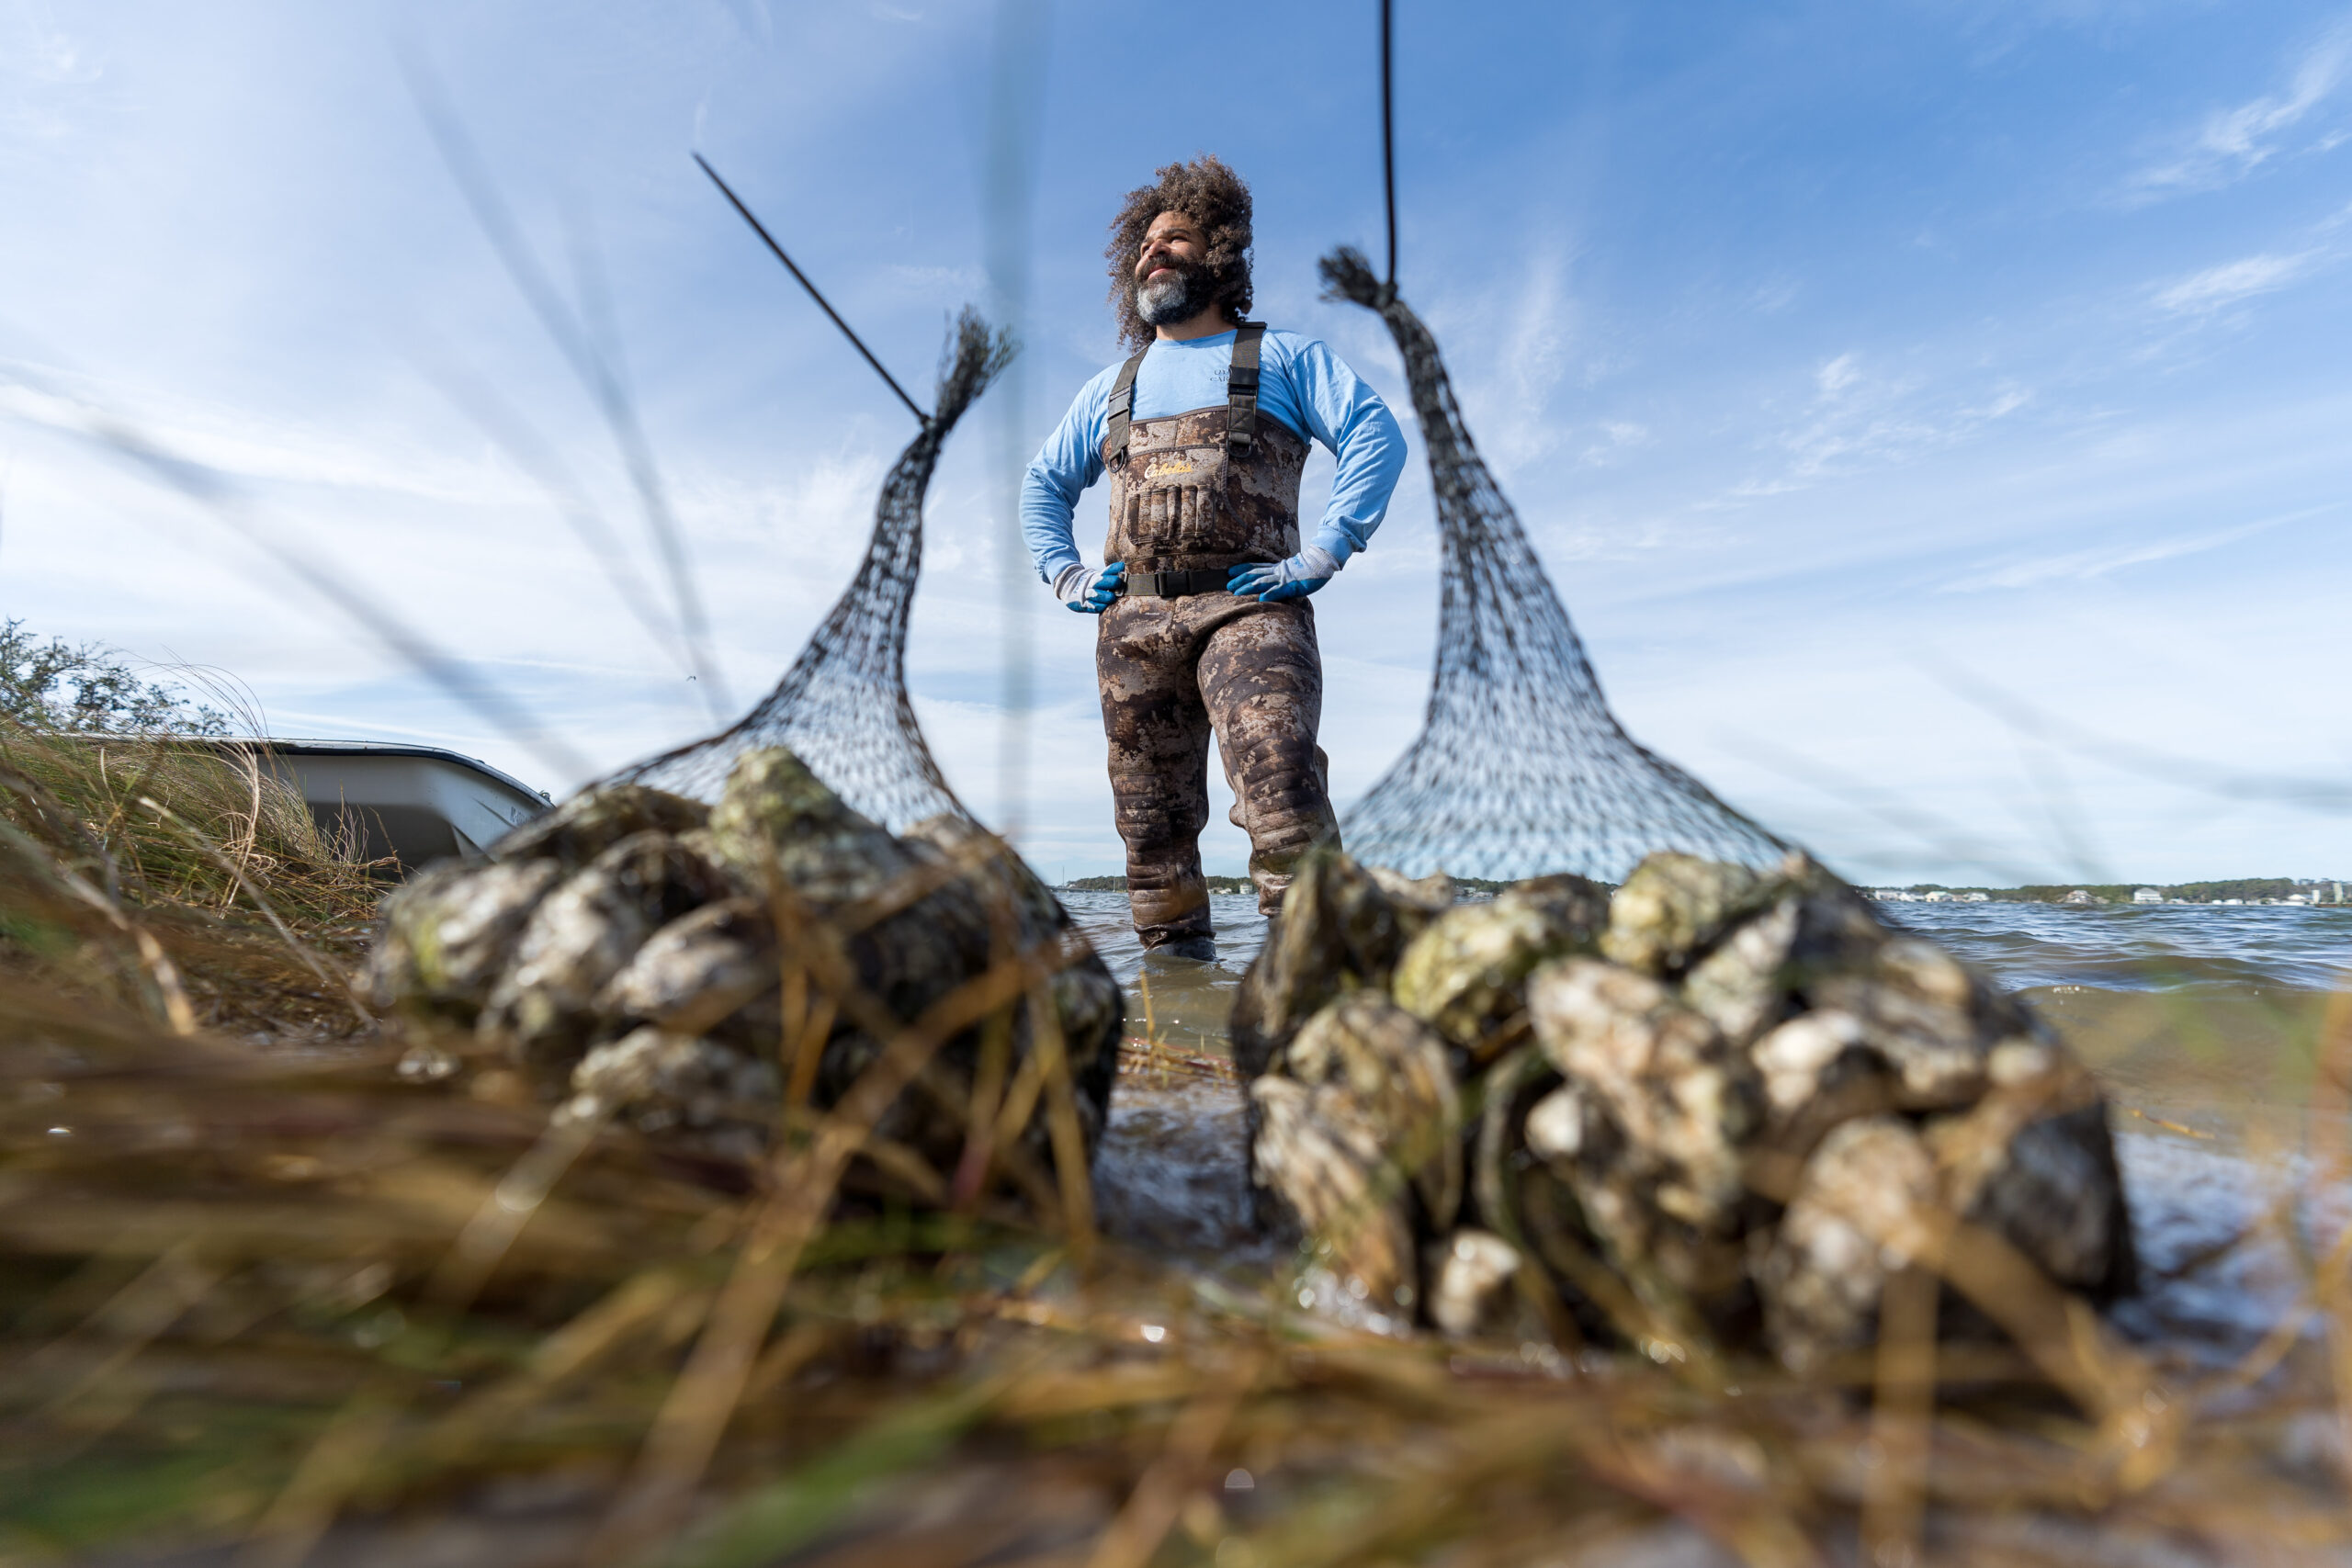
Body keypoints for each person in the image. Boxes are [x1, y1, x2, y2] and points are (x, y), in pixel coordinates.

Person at [1021, 156, 1407, 960]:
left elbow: (1376, 434)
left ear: (1220, 254)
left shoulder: (1286, 359)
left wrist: (1328, 550)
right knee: (1149, 829)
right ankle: (1176, 1018)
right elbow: (1042, 486)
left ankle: (1316, 998)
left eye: (1177, 237)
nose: (1153, 253)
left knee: (1282, 790)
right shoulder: (1110, 389)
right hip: (1132, 627)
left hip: (1251, 611)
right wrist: (1063, 572)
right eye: (1145, 243)